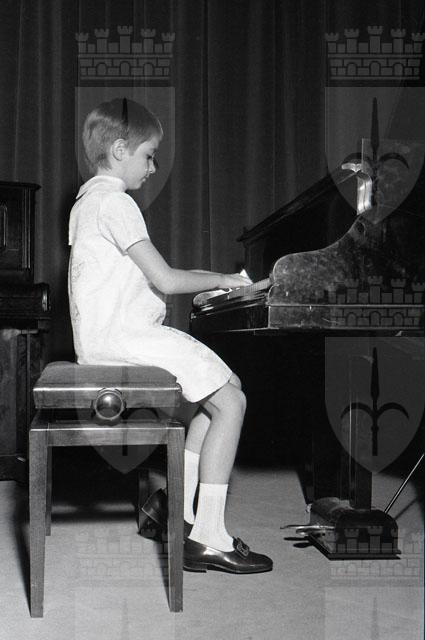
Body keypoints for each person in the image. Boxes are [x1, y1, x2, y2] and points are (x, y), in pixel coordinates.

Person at [68, 97, 272, 574]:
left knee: (223, 391)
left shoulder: (87, 201)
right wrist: (224, 279)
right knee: (232, 403)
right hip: (125, 337)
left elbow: (147, 276)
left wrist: (221, 281)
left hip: (105, 336)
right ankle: (209, 537)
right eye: (149, 155)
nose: (153, 167)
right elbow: (165, 279)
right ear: (120, 150)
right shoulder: (116, 202)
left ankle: (176, 510)